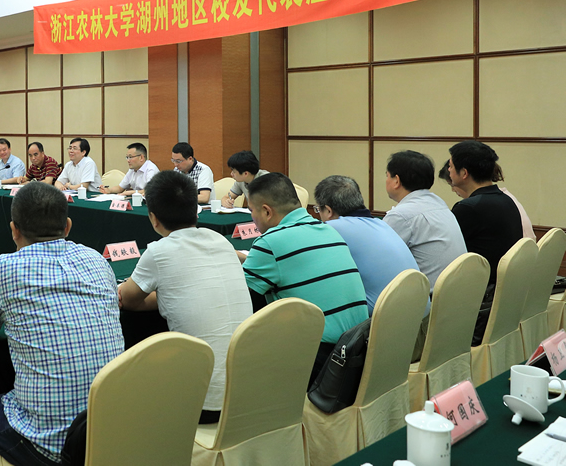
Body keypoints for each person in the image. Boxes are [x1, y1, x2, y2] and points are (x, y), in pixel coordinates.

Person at [0, 183, 123, 466]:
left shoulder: (5, 267)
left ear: (14, 230)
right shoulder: (96, 259)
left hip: (48, 444)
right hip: (108, 429)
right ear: (68, 226)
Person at [118, 171, 252, 424]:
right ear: (196, 211)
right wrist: (170, 294)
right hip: (249, 394)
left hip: (203, 403)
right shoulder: (221, 241)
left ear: (153, 218)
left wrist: (164, 294)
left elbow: (127, 300)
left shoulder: (158, 251)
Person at [238, 173, 368, 384]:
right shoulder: (328, 230)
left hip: (323, 361)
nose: (252, 217)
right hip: (357, 348)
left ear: (267, 211)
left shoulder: (269, 242)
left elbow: (241, 302)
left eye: (251, 210)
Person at [313, 175, 421, 315]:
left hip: (382, 319)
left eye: (318, 210)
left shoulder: (332, 228)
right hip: (417, 314)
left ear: (328, 211)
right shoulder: (381, 224)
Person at [383, 150, 466, 291]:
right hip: (456, 295)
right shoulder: (439, 203)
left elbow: (378, 261)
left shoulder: (401, 216)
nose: (386, 180)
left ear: (396, 181)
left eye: (387, 176)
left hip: (428, 300)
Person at [447, 141, 523, 285]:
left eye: (451, 166)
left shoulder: (469, 208)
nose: (449, 170)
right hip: (508, 285)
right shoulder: (506, 200)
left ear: (464, 173)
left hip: (481, 289)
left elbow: (447, 253)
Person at [440, 162, 536, 241]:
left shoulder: (470, 207)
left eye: (452, 184)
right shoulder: (506, 198)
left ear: (464, 174)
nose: (453, 190)